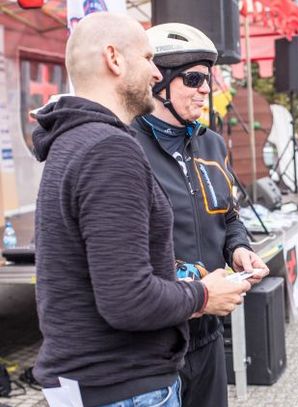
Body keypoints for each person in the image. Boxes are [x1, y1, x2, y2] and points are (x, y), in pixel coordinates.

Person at [32, 13, 249, 407]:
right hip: (123, 382)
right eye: (148, 58)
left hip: (113, 376)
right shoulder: (110, 148)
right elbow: (127, 299)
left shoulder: (75, 139)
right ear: (114, 59)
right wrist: (203, 295)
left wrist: (236, 248)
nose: (154, 71)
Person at [131, 23, 269, 407]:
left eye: (208, 79)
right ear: (158, 83)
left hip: (208, 336)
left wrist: (239, 249)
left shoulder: (212, 144)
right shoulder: (126, 146)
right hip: (156, 342)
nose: (205, 89)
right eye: (193, 79)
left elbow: (230, 216)